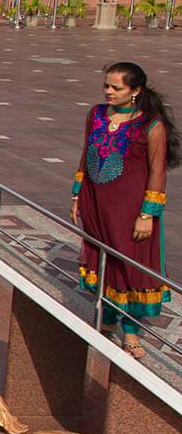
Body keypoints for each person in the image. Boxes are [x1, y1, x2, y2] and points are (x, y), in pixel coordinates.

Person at [71, 61, 177, 360]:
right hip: (96, 200)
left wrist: (148, 214)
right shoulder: (96, 114)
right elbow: (85, 154)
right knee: (102, 256)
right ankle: (106, 316)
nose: (108, 91)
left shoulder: (151, 125)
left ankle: (130, 328)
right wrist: (77, 195)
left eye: (116, 87)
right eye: (106, 85)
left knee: (130, 264)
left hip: (130, 209)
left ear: (135, 91)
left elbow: (158, 173)